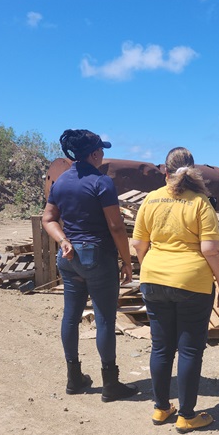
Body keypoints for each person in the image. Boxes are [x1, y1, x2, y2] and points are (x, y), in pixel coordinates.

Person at [131, 147, 219, 433]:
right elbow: (211, 250)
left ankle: (161, 409)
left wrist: (152, 268)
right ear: (194, 169)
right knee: (189, 350)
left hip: (154, 279)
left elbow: (139, 245)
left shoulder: (150, 200)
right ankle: (186, 415)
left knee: (161, 347)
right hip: (192, 284)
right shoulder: (201, 202)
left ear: (164, 170)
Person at [42, 129, 137, 402]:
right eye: (102, 151)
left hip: (69, 259)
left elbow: (48, 219)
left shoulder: (60, 183)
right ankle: (111, 384)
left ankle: (74, 378)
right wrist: (127, 261)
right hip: (97, 257)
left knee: (70, 317)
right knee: (104, 318)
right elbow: (116, 226)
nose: (104, 155)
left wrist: (63, 241)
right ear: (94, 154)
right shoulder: (101, 182)